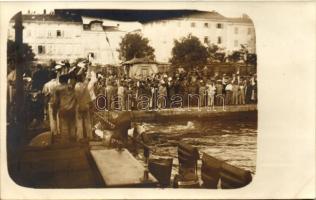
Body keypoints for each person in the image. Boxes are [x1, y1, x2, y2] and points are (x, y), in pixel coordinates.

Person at [53, 74, 77, 144]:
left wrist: (54, 111)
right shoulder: (72, 87)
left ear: (60, 80)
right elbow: (76, 98)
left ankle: (66, 143)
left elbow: (56, 101)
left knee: (64, 127)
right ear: (67, 80)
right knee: (72, 125)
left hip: (63, 109)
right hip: (72, 109)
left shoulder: (57, 89)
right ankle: (73, 142)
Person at [74, 68, 93, 142]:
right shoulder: (85, 85)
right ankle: (89, 136)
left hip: (79, 105)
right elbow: (88, 96)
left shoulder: (76, 86)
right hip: (86, 105)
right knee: (87, 121)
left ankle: (80, 137)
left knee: (79, 122)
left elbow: (76, 97)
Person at [42, 71, 60, 136]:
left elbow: (45, 95)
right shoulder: (59, 84)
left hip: (51, 101)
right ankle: (59, 131)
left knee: (52, 117)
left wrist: (45, 105)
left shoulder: (46, 84)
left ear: (49, 76)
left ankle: (53, 132)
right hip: (59, 102)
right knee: (58, 116)